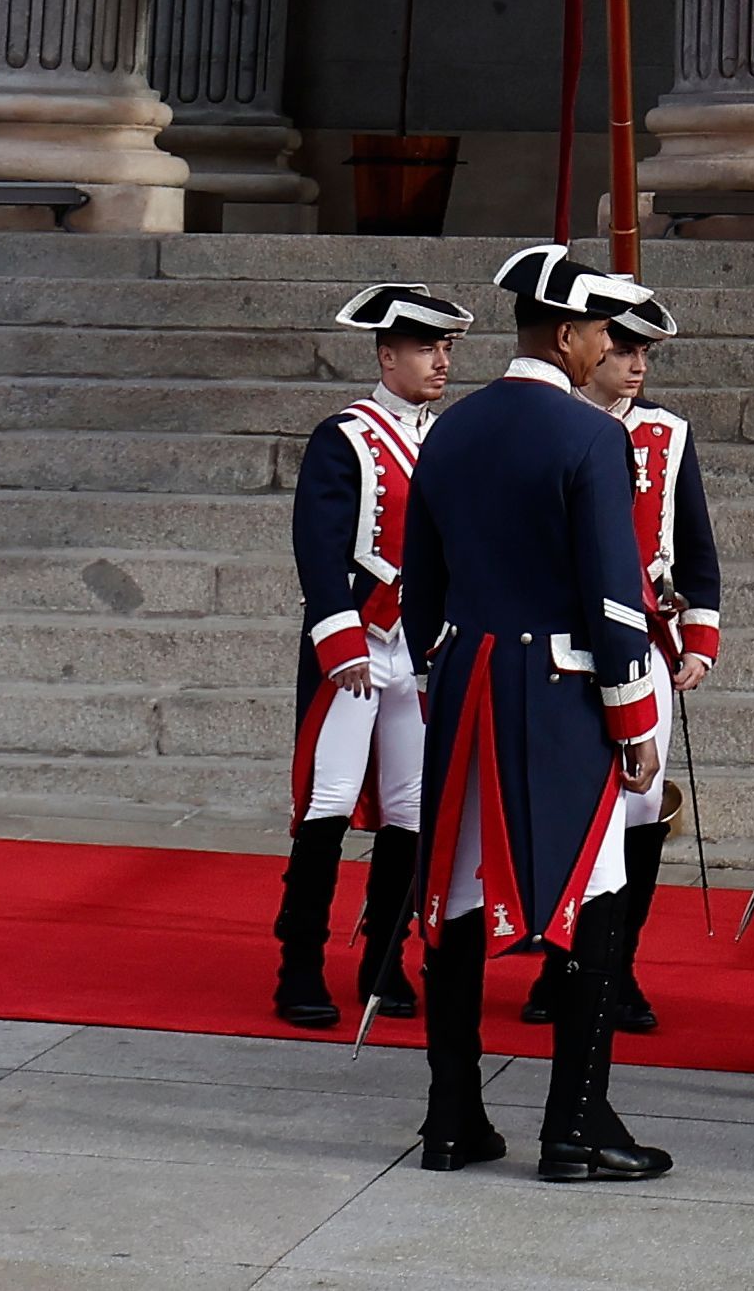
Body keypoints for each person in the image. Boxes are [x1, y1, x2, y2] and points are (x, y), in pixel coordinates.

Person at [399, 244, 677, 1185]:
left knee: (457, 897)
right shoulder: (592, 436)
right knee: (597, 892)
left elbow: (422, 585)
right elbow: (613, 595)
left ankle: (451, 1115)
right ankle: (575, 1122)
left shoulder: (451, 429)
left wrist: (445, 668)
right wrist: (634, 718)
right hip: (562, 691)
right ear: (564, 334)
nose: (607, 345)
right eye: (600, 329)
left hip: (466, 679)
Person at [527, 292, 724, 1038]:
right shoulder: (558, 423)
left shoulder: (667, 433)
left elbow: (695, 544)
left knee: (641, 813)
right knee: (580, 809)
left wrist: (699, 638)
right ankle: (559, 962)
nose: (638, 365)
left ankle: (617, 963)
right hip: (568, 649)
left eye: (646, 354)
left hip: (649, 644)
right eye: (624, 350)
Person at [274, 280, 459, 1032]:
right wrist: (340, 637)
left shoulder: (450, 438)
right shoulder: (345, 434)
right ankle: (299, 965)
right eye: (424, 348)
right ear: (386, 355)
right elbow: (318, 546)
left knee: (411, 809)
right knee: (327, 802)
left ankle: (385, 959)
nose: (440, 361)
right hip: (357, 645)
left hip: (418, 648)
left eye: (445, 348)